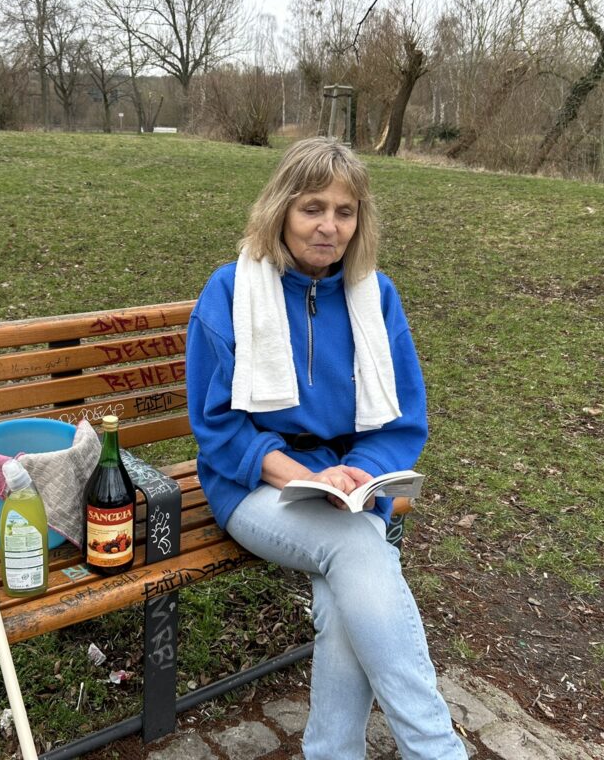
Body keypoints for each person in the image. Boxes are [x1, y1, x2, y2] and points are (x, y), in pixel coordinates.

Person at [186, 137, 467, 760]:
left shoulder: (377, 296)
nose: (329, 226)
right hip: (254, 482)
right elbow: (218, 427)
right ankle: (436, 749)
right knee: (358, 547)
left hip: (347, 481)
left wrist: (358, 474)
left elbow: (400, 421)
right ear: (282, 209)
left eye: (345, 211)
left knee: (349, 590)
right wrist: (296, 475)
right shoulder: (232, 290)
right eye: (313, 207)